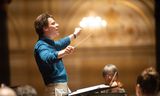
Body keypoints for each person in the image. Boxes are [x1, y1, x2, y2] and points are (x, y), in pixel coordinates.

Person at [34, 13, 82, 96]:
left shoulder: (49, 44)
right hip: (56, 88)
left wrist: (75, 34)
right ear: (45, 28)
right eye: (53, 24)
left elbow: (61, 43)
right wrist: (64, 52)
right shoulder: (41, 45)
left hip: (60, 86)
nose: (57, 25)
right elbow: (47, 57)